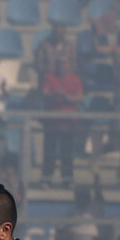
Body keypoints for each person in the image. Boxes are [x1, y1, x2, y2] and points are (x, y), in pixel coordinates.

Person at [41, 56, 83, 188]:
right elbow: (44, 93)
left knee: (67, 152)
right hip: (52, 122)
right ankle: (46, 179)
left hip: (69, 122)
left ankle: (67, 179)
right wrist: (55, 94)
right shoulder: (50, 77)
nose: (62, 66)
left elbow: (79, 97)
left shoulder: (75, 79)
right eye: (60, 63)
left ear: (69, 65)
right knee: (50, 152)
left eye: (64, 63)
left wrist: (67, 97)